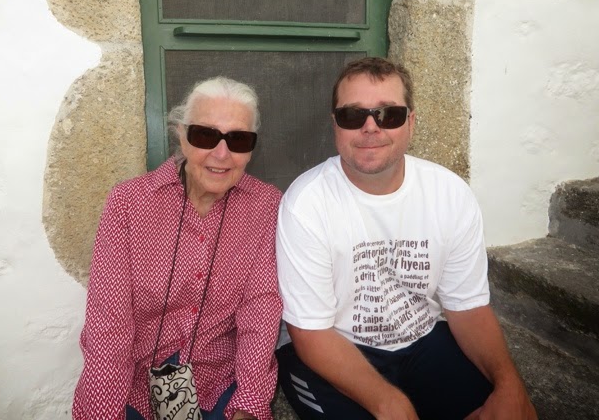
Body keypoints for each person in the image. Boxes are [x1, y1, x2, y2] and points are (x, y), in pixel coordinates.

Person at [275, 57, 537, 420]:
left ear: (410, 123)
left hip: (422, 338)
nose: (370, 127)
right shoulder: (306, 203)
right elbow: (310, 333)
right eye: (353, 115)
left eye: (389, 115)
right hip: (330, 346)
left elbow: (468, 307)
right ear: (335, 125)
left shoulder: (449, 194)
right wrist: (388, 402)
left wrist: (509, 385)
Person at [72, 77, 283, 420]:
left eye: (238, 139)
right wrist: (104, 412)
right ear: (181, 135)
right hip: (136, 383)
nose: (221, 154)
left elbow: (260, 312)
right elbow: (108, 324)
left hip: (220, 381)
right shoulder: (128, 204)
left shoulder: (265, 205)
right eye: (205, 136)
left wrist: (249, 402)